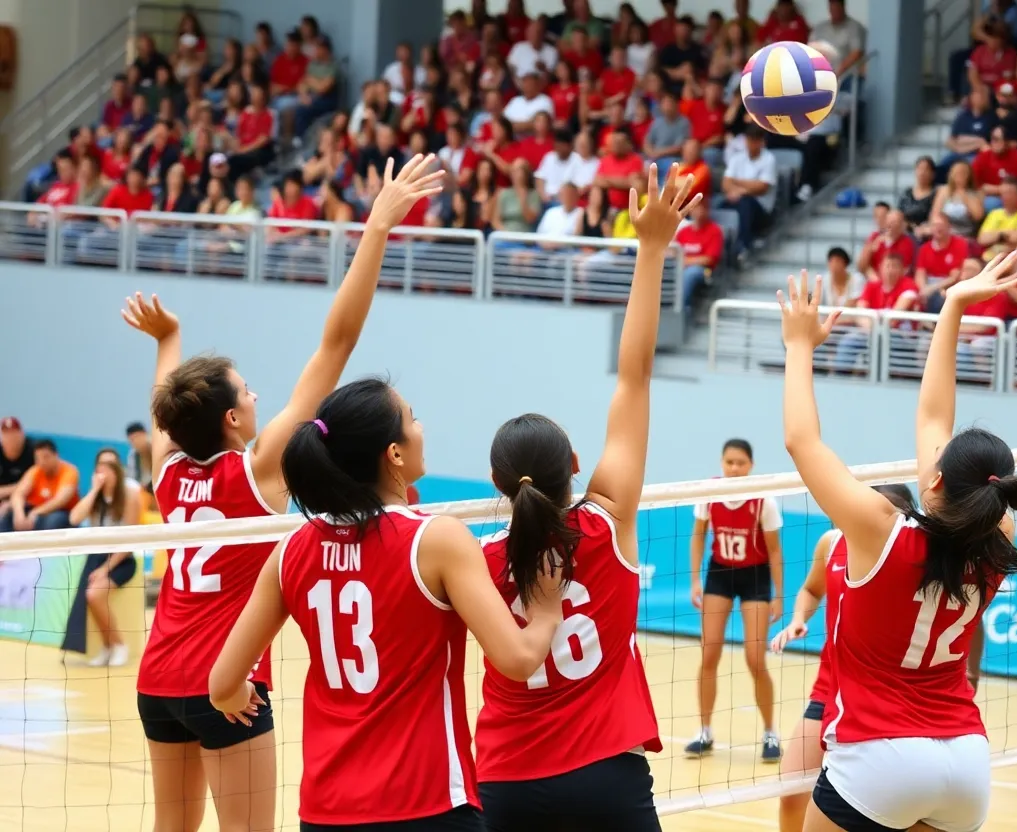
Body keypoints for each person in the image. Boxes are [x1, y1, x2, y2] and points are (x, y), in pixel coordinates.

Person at [120, 154, 443, 832]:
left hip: (158, 679)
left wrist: (168, 339)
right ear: (232, 419)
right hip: (225, 683)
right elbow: (337, 343)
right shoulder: (257, 470)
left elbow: (163, 408)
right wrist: (377, 228)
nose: (258, 395)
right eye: (247, 392)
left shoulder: (167, 470)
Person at [208, 378, 564, 831]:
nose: (421, 428)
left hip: (326, 812)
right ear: (394, 453)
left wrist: (239, 695)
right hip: (427, 805)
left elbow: (221, 686)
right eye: (412, 419)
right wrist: (546, 614)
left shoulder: (290, 551)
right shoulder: (435, 539)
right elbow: (517, 660)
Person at [779, 251, 1017, 831]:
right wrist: (954, 304)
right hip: (965, 761)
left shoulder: (879, 530)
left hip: (880, 754)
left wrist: (799, 347)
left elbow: (802, 440)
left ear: (937, 480)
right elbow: (933, 425)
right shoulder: (998, 538)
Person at [475, 164, 700, 832]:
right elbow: (635, 376)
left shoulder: (472, 563)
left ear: (496, 485)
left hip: (507, 779)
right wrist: (651, 248)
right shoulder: (607, 521)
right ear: (575, 465)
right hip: (606, 775)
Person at [769, 483, 916, 832]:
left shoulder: (912, 557)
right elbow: (811, 588)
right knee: (792, 792)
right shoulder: (833, 542)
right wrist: (798, 619)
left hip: (885, 698)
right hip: (830, 689)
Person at [686, 438, 785, 762]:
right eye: (729, 462)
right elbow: (698, 536)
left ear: (751, 465)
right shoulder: (710, 492)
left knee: (755, 659)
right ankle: (704, 731)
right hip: (719, 573)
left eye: (740, 463)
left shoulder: (763, 499)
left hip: (755, 576)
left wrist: (779, 596)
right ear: (722, 463)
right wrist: (695, 580)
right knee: (709, 652)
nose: (734, 468)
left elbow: (775, 550)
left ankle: (770, 732)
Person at [68, 448, 141, 667]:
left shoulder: (130, 495)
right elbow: (74, 518)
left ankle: (119, 645)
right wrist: (94, 490)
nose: (104, 473)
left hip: (122, 559)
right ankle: (107, 647)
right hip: (98, 558)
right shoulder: (96, 498)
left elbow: (129, 541)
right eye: (100, 468)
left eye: (109, 468)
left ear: (117, 470)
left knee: (94, 595)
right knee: (88, 597)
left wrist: (105, 569)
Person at [2, 439, 80, 532]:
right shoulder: (35, 471)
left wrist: (35, 512)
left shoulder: (69, 472)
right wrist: (19, 514)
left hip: (62, 512)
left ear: (56, 455)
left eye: (46, 457)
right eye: (38, 459)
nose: (42, 462)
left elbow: (60, 501)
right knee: (8, 516)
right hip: (35, 508)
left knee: (53, 520)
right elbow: (18, 494)